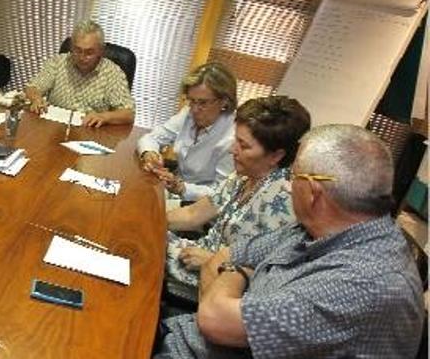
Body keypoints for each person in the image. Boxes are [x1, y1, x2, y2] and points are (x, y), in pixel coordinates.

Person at [157, 124, 424, 358]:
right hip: (184, 336)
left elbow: (215, 320)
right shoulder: (314, 228)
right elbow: (228, 255)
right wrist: (237, 272)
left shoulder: (365, 283)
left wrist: (233, 275)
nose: (286, 185)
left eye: (293, 177)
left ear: (312, 192)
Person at [164, 96, 310, 299]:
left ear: (276, 156)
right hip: (191, 256)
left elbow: (263, 281)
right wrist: (150, 221)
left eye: (244, 145)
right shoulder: (244, 175)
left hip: (210, 284)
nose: (233, 149)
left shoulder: (284, 202)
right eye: (236, 140)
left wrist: (211, 260)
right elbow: (193, 214)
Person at [138, 63, 237, 203]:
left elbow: (221, 194)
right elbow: (151, 138)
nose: (195, 109)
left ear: (224, 101)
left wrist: (182, 188)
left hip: (198, 204)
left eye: (203, 103)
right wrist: (149, 154)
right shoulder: (188, 113)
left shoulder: (233, 138)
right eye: (191, 100)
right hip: (173, 188)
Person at [24, 20, 135, 127]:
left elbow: (128, 114)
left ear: (101, 50)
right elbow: (32, 87)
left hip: (90, 132)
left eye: (89, 52)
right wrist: (36, 98)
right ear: (72, 47)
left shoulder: (112, 72)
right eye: (77, 50)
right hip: (55, 129)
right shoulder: (58, 62)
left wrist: (104, 117)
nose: (82, 57)